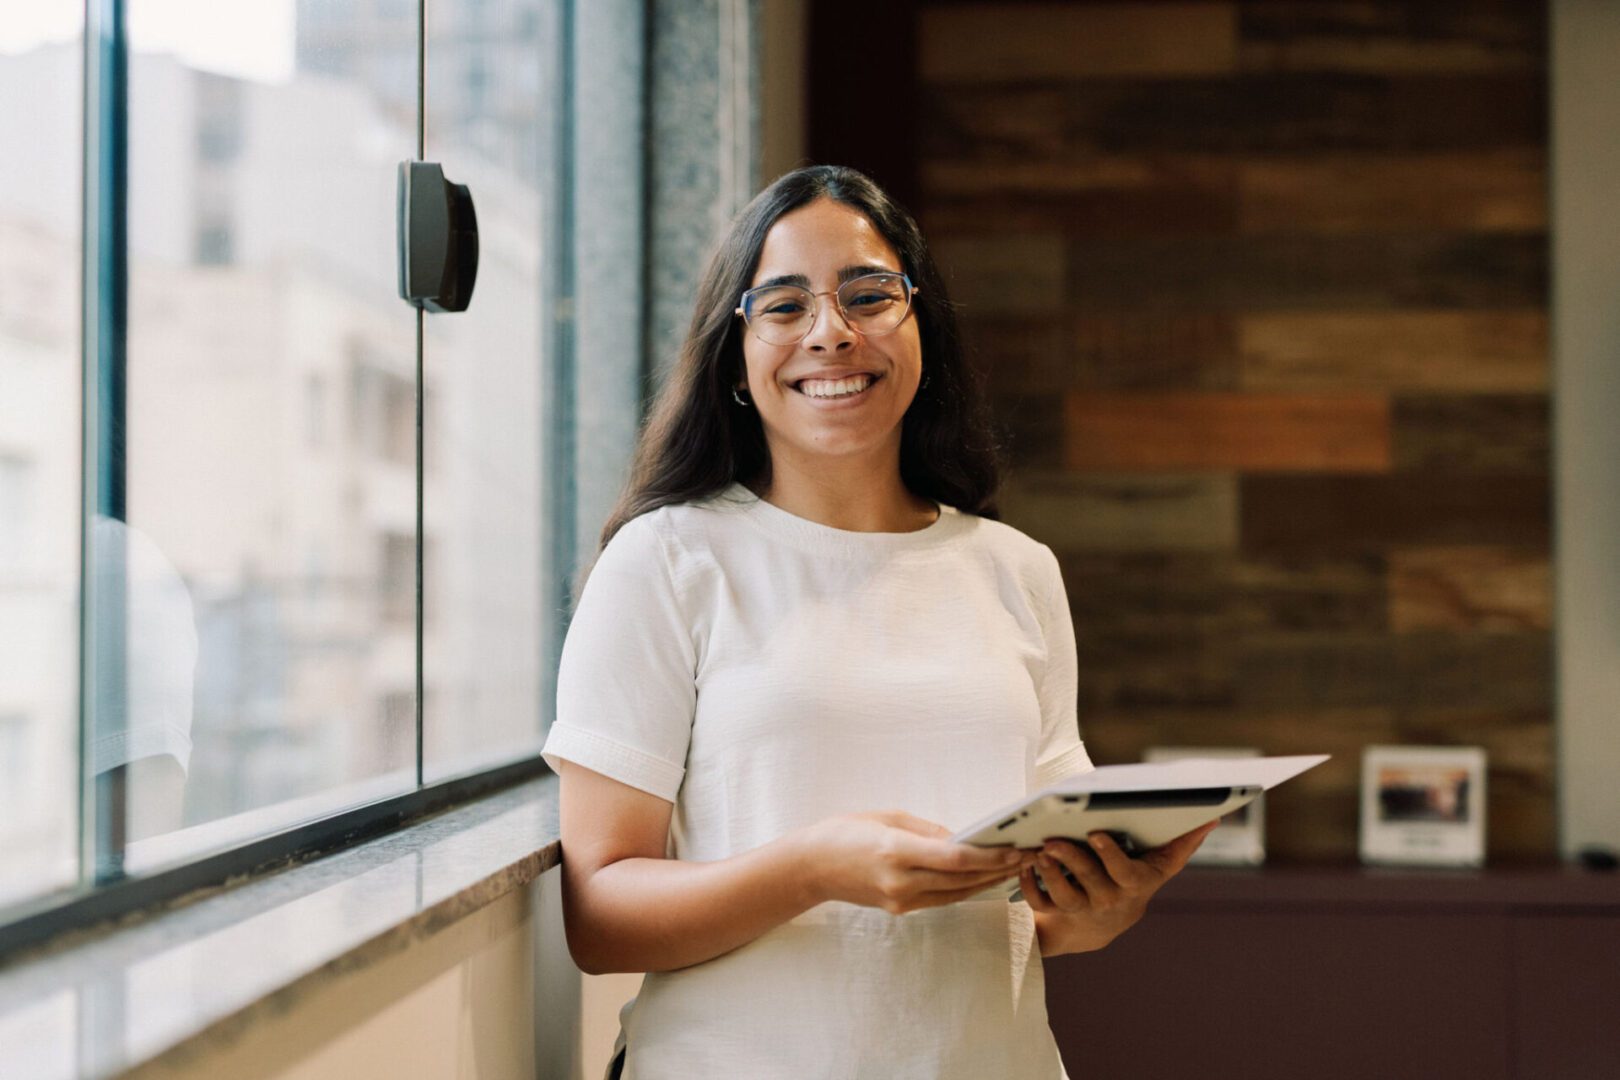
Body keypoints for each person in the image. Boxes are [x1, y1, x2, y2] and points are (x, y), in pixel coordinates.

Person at [540, 165, 1214, 1079]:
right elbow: (601, 915)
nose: (831, 332)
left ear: (920, 324)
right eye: (783, 306)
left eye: (869, 294)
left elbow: (1046, 919)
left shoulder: (1016, 570)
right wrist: (814, 868)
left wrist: (1108, 906)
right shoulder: (667, 560)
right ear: (736, 356)